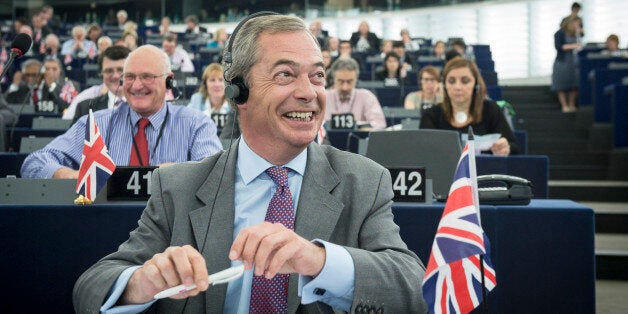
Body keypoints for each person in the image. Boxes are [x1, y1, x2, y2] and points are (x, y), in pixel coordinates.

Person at [73, 13, 425, 313]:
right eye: (286, 74)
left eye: (317, 75)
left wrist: (319, 261)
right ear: (237, 90)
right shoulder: (178, 187)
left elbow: (412, 288)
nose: (309, 91)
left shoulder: (364, 180)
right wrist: (141, 283)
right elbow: (90, 288)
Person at [21, 45, 222, 179]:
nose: (136, 85)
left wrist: (178, 173)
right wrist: (76, 176)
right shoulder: (96, 124)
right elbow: (35, 162)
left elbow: (216, 174)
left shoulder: (196, 124)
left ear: (169, 80)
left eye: (147, 77)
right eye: (130, 77)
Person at [420, 57, 518, 155]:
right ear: (444, 85)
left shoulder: (491, 109)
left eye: (465, 81)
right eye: (451, 81)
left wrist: (505, 148)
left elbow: (514, 148)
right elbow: (421, 152)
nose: (458, 87)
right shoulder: (431, 115)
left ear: (476, 84)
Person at [72, 46, 130, 123]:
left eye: (121, 70)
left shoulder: (147, 107)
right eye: (109, 71)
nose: (115, 76)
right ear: (101, 74)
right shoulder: (84, 109)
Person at [325, 58, 386, 129]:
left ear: (356, 79)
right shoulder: (324, 97)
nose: (345, 87)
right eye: (340, 81)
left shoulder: (367, 96)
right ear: (333, 79)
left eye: (349, 81)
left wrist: (361, 127)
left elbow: (379, 124)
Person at [551, 15, 582, 113]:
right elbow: (559, 47)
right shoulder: (559, 33)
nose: (578, 25)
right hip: (562, 62)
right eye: (576, 23)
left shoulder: (576, 34)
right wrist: (573, 46)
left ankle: (572, 104)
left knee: (574, 84)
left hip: (574, 63)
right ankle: (564, 105)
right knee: (561, 85)